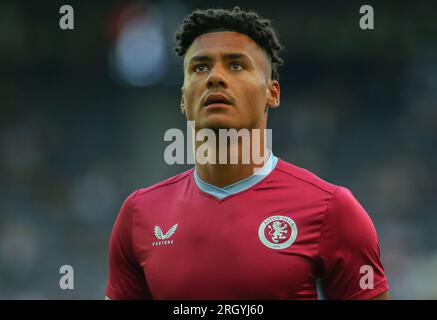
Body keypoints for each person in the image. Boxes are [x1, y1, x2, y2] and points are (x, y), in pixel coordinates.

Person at [105, 7, 389, 300]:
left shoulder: (333, 210)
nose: (215, 77)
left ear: (272, 93)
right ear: (183, 99)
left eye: (236, 65)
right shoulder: (139, 214)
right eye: (200, 67)